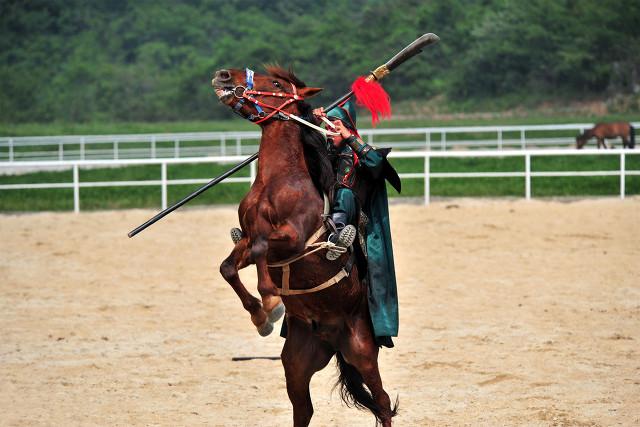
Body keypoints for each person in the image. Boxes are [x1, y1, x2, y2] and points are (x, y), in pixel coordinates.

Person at [313, 100, 401, 347]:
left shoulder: (360, 152)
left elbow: (376, 164)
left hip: (357, 222)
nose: (331, 129)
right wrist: (313, 121)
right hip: (322, 215)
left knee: (345, 194)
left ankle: (338, 236)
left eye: (336, 123)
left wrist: (348, 136)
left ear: (348, 127)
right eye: (328, 125)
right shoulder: (323, 153)